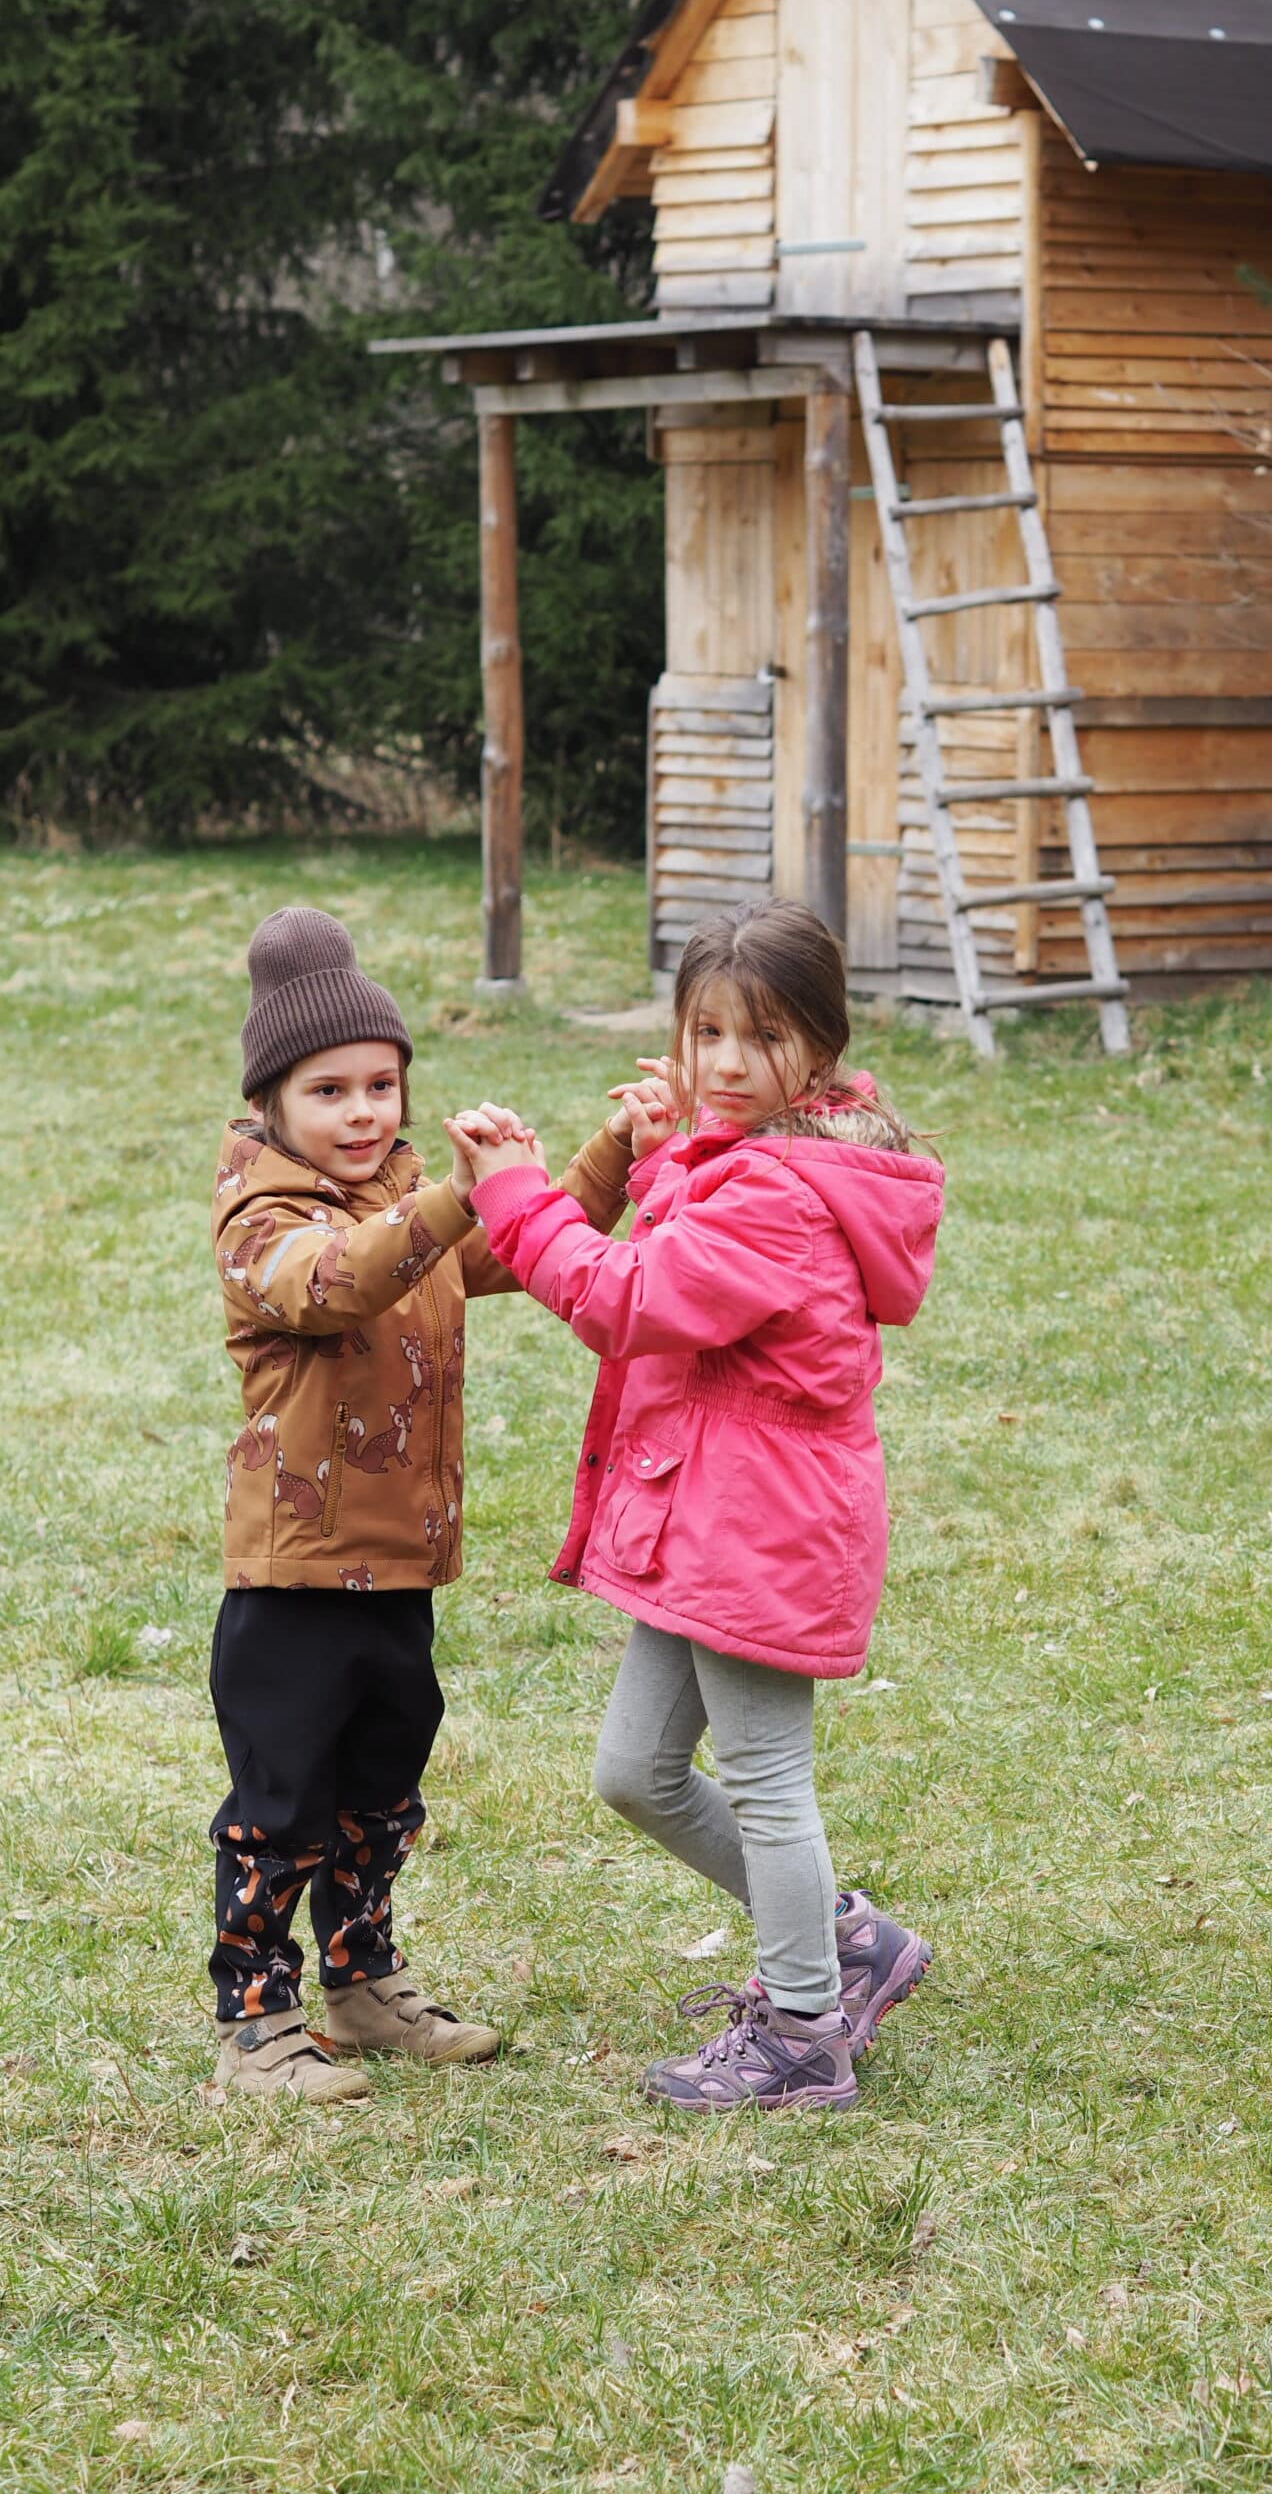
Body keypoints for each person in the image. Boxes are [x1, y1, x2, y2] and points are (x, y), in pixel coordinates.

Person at [449, 899, 943, 2112]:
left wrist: (517, 1194)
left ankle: (803, 2034)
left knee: (765, 1776)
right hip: (710, 1513)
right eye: (706, 1031)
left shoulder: (781, 1189)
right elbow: (698, 1251)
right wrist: (664, 1151)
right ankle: (845, 1941)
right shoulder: (764, 1156)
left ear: (820, 1046)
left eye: (762, 1037)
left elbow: (630, 1297)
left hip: (757, 1524)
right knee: (636, 1770)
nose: (726, 1061)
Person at [209, 906, 638, 2100]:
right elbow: (334, 1282)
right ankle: (255, 2020)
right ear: (271, 1105)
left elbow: (513, 1245)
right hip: (296, 1575)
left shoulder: (403, 1195)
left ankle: (362, 1986)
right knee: (285, 1799)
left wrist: (613, 1150)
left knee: (382, 1789)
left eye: (381, 1085)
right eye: (328, 1091)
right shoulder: (262, 1220)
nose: (362, 1113)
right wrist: (449, 1198)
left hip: (399, 1565)